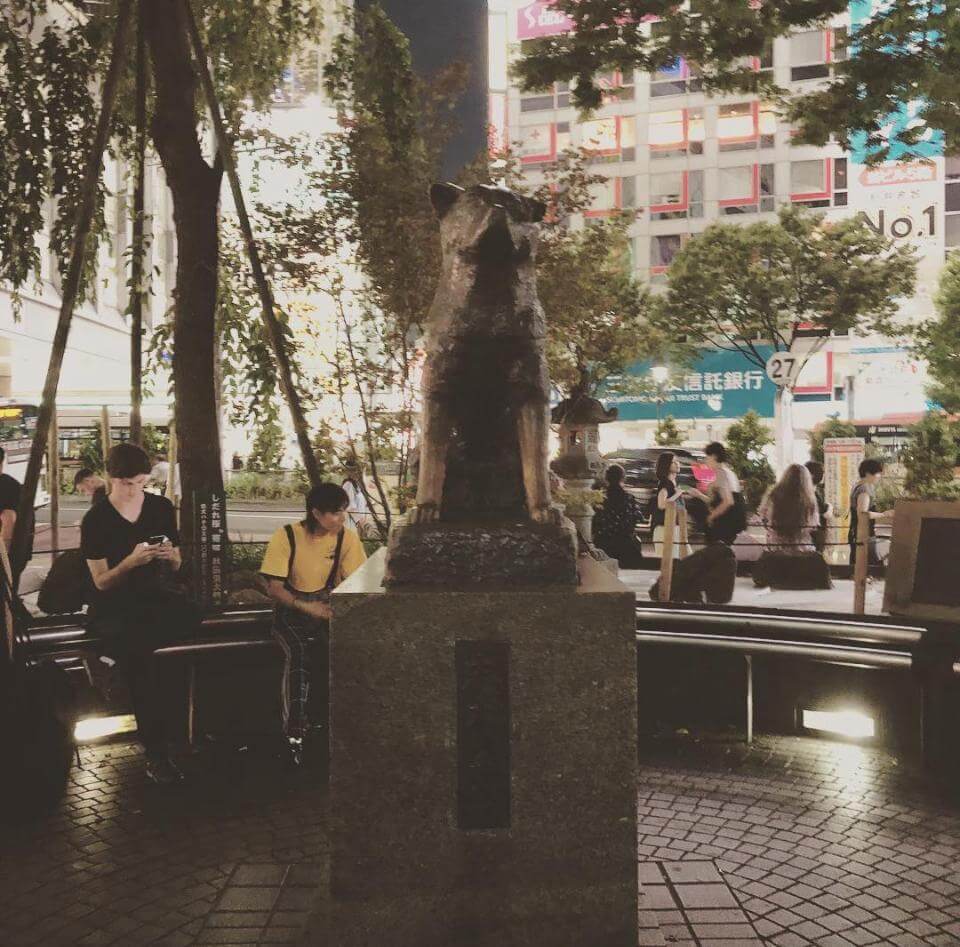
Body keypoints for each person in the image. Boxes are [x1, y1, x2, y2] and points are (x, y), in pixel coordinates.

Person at [81, 443, 201, 785]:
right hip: (117, 605)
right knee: (146, 666)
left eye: (139, 483)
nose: (132, 491)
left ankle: (112, 661)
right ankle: (157, 752)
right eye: (125, 484)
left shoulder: (161, 507)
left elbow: (178, 563)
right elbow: (101, 583)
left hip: (156, 600)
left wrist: (170, 558)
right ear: (110, 478)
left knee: (188, 622)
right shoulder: (96, 520)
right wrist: (130, 563)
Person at [260, 483, 367, 765]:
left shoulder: (347, 538)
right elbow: (274, 589)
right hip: (291, 610)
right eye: (334, 513)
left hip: (326, 607)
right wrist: (308, 608)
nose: (341, 518)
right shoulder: (287, 536)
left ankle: (343, 725)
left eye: (343, 511)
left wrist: (335, 609)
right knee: (299, 655)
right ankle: (294, 732)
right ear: (316, 513)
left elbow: (355, 581)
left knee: (347, 649)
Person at [687, 442, 747, 545]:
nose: (705, 461)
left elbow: (728, 501)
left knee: (717, 554)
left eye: (707, 457)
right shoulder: (728, 472)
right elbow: (718, 500)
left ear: (714, 456)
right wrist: (699, 495)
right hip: (732, 523)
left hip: (725, 525)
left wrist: (710, 517)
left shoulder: (721, 473)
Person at [758, 464, 820, 554]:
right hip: (802, 550)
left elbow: (764, 519)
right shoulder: (809, 500)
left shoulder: (773, 496)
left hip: (776, 549)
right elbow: (813, 525)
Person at [592, 464, 645, 568]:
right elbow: (637, 518)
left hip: (604, 543)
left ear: (606, 478)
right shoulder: (629, 498)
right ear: (623, 478)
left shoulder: (600, 498)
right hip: (626, 545)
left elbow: (595, 521)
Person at [848, 458, 893, 568]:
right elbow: (863, 514)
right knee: (866, 568)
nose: (879, 476)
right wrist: (884, 514)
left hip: (855, 531)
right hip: (863, 533)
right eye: (878, 473)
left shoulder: (857, 485)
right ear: (868, 473)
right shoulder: (865, 489)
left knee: (858, 566)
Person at [650, 452, 691, 559]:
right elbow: (662, 504)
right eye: (673, 462)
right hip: (665, 529)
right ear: (666, 465)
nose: (678, 464)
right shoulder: (665, 484)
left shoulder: (674, 483)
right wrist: (678, 494)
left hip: (674, 528)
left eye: (677, 461)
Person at [804, 461, 831, 554]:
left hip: (814, 534)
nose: (824, 475)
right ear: (812, 475)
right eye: (822, 472)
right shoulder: (809, 494)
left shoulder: (814, 491)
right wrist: (827, 510)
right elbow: (824, 514)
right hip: (815, 534)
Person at [341, 465, 371, 536]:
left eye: (358, 471)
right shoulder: (348, 485)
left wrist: (364, 519)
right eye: (353, 471)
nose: (356, 473)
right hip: (353, 522)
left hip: (360, 521)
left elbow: (363, 504)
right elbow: (349, 506)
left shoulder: (357, 485)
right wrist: (359, 520)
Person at [0, 446, 19, 555]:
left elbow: (8, 519)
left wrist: (3, 554)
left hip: (7, 553)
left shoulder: (7, 487)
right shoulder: (12, 484)